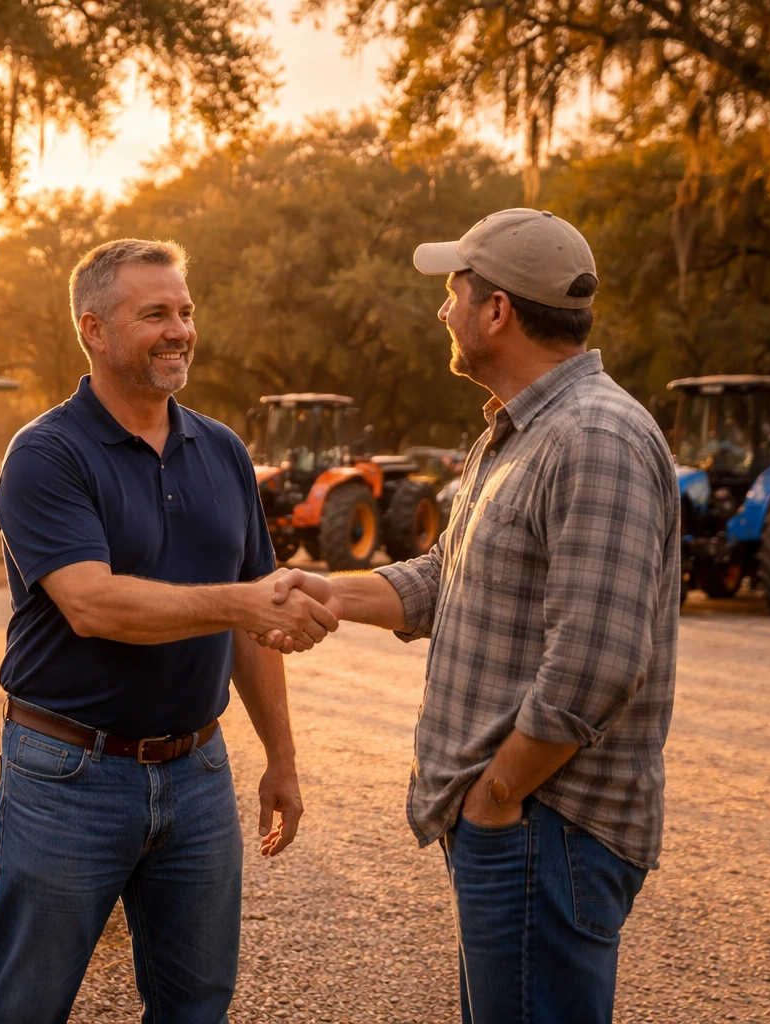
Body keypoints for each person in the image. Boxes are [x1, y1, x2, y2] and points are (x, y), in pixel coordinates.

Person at [266, 209, 679, 1024]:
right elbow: (444, 575)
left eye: (454, 293)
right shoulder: (519, 433)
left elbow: (596, 663)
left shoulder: (594, 437)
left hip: (545, 828)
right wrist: (331, 594)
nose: (442, 311)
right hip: (518, 828)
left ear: (497, 311)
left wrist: (496, 797)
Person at [0, 238, 338, 1024]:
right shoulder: (47, 454)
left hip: (197, 775)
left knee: (196, 1004)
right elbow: (93, 605)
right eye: (155, 315)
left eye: (185, 312)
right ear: (94, 331)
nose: (179, 331)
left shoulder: (224, 451)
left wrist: (281, 758)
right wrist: (244, 603)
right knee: (24, 1006)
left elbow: (255, 621)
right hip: (67, 774)